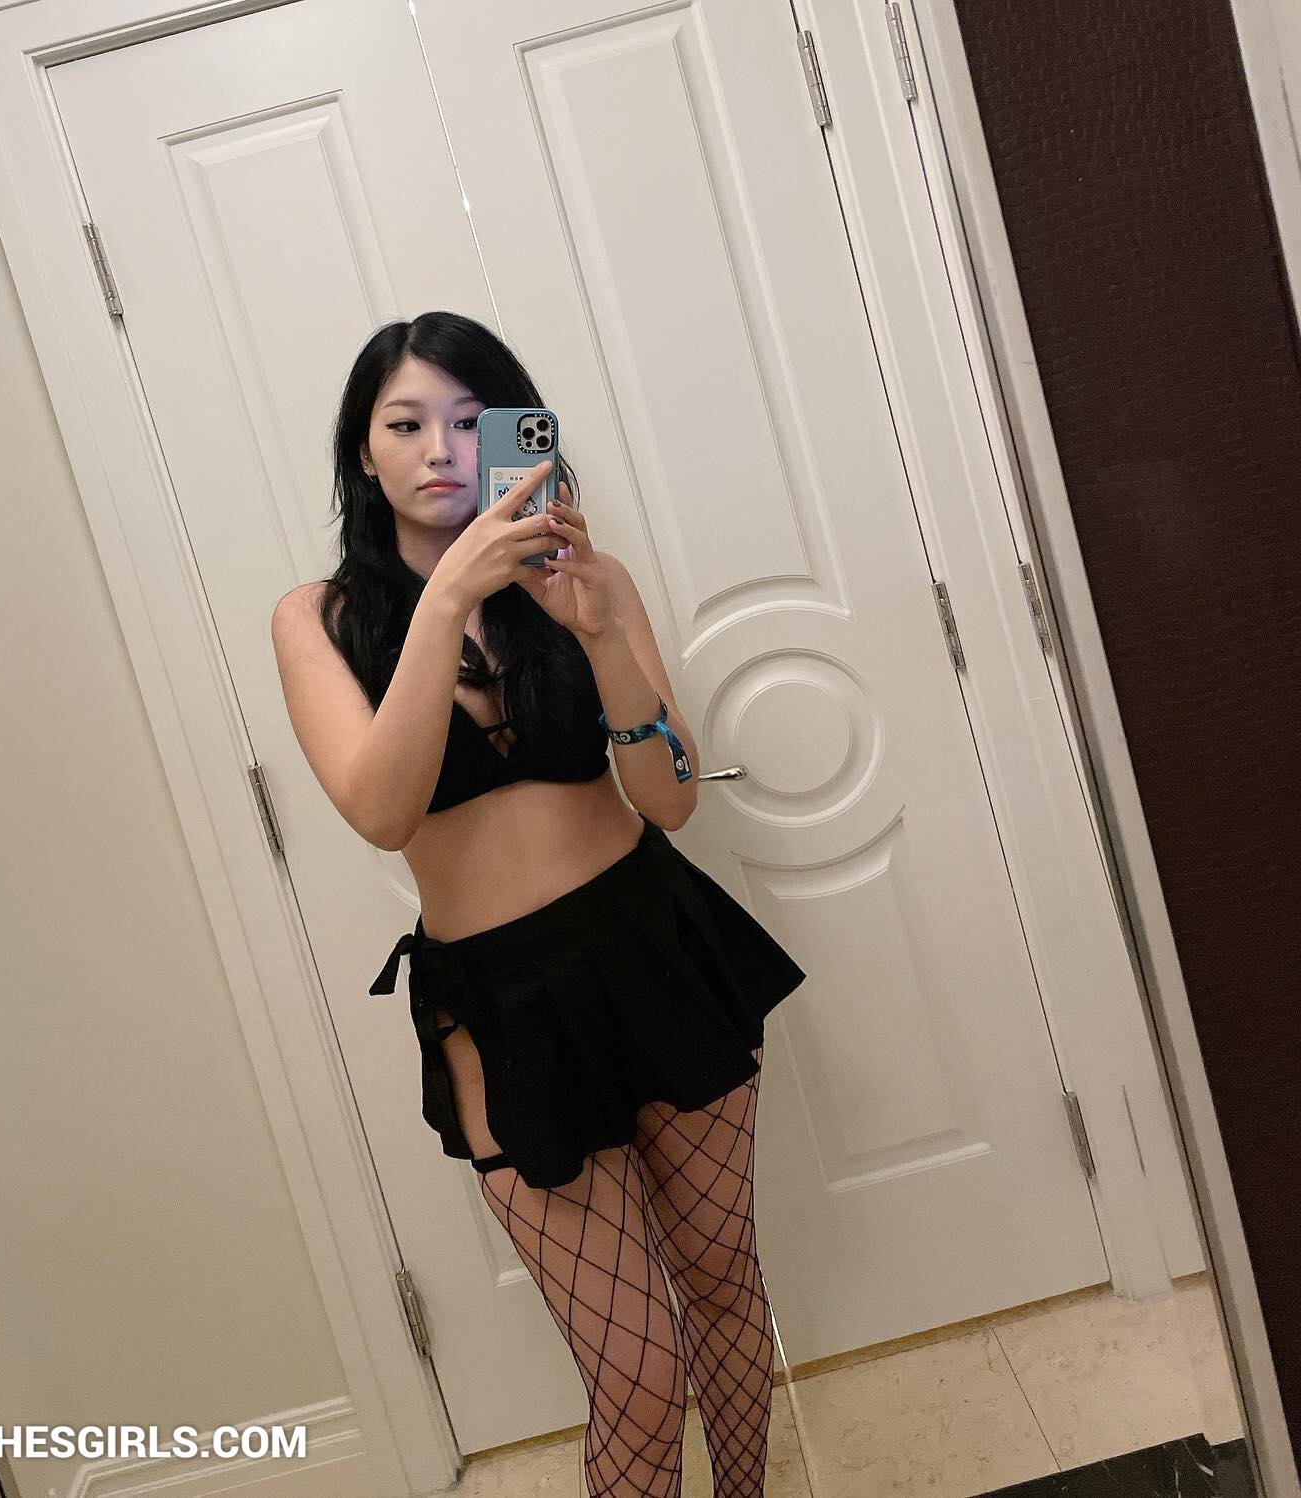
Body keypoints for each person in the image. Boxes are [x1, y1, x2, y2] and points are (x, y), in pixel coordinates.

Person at [271, 310, 806, 1497]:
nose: (440, 450)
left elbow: (670, 799)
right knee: (636, 1375)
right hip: (503, 1006)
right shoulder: (319, 621)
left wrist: (602, 634)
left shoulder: (583, 583)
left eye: (472, 421)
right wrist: (446, 601)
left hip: (652, 946)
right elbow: (381, 810)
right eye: (405, 423)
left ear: (519, 431)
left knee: (724, 1280)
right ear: (362, 450)